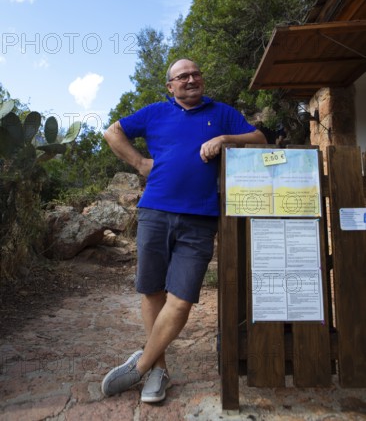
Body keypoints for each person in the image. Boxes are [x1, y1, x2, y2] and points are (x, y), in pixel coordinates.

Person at [101, 58, 266, 403]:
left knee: (183, 299)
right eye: (183, 76)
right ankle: (158, 371)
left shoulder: (221, 112)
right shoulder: (154, 113)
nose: (191, 79)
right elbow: (111, 132)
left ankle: (140, 365)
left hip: (200, 218)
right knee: (152, 291)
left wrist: (224, 138)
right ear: (170, 86)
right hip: (155, 212)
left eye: (196, 73)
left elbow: (260, 137)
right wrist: (140, 163)